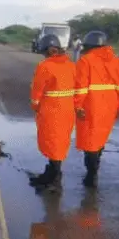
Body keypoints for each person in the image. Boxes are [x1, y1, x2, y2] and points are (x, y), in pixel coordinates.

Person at [74, 31, 119, 187]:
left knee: (90, 142)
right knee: (100, 138)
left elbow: (80, 87)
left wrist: (77, 105)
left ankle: (91, 175)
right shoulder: (118, 62)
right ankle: (94, 169)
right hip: (110, 108)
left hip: (90, 107)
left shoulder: (85, 61)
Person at [29, 34, 76, 188]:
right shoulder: (71, 65)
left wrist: (36, 106)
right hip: (68, 110)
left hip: (52, 110)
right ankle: (53, 172)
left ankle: (53, 178)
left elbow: (37, 91)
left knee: (51, 141)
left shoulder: (45, 66)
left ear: (48, 51)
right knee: (61, 141)